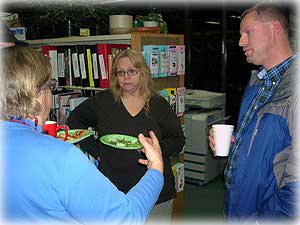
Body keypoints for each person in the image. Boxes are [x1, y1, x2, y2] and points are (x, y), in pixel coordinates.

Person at [1, 46, 164, 224]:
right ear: (36, 92)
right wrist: (156, 168)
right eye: (50, 86)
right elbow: (126, 218)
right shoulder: (61, 158)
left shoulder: (157, 103)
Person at [67, 49, 185, 223]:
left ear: (142, 72)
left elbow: (178, 141)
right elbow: (74, 121)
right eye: (120, 72)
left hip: (155, 193)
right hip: (112, 191)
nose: (126, 77)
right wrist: (96, 150)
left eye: (131, 71)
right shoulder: (103, 101)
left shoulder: (158, 104)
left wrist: (156, 149)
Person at [208, 3, 298, 223]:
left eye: (248, 32)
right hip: (238, 206)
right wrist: (234, 144)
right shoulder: (257, 83)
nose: (240, 42)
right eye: (240, 35)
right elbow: (265, 145)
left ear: (275, 29)